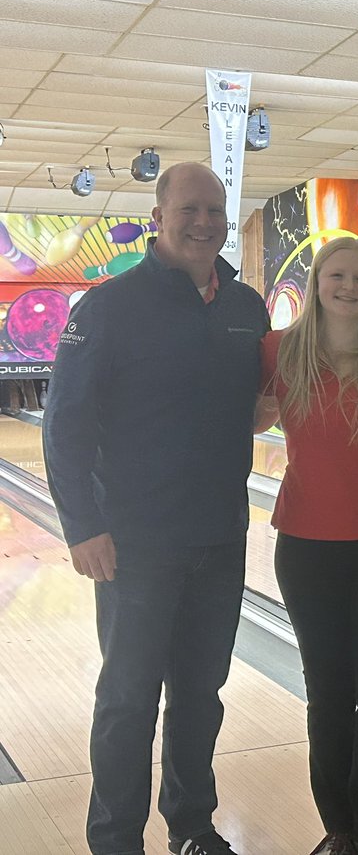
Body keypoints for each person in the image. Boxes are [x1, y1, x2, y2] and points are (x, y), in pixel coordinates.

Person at [43, 162, 269, 855]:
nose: (205, 222)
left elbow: (255, 406)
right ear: (158, 216)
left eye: (216, 211)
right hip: (136, 543)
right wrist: (83, 526)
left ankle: (193, 828)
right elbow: (64, 423)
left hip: (219, 537)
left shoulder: (245, 308)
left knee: (202, 696)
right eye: (191, 209)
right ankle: (114, 840)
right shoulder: (108, 307)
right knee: (128, 701)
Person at [255, 237, 358, 855]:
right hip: (306, 545)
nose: (348, 287)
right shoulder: (280, 349)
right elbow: (251, 419)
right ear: (317, 280)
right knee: (328, 693)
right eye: (336, 275)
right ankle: (340, 831)